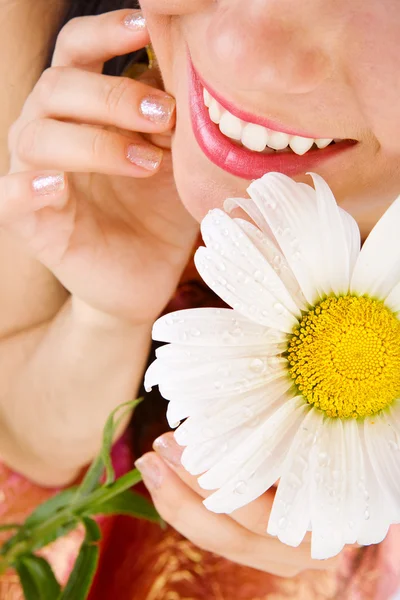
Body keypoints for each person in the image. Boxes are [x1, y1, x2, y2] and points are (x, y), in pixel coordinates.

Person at [0, 0, 399, 598]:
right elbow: (25, 438)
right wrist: (105, 314)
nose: (243, 49)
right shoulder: (51, 41)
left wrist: (350, 495)